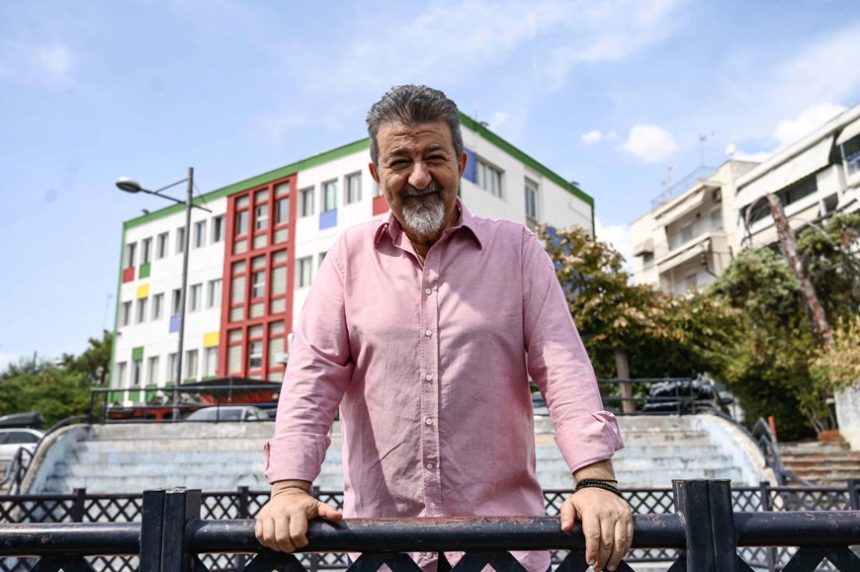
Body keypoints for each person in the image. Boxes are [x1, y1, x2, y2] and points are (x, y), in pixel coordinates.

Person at [255, 85, 632, 572]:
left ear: (461, 163)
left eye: (434, 157)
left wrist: (595, 480)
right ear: (376, 175)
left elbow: (562, 365)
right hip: (383, 550)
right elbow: (312, 376)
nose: (419, 177)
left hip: (502, 549)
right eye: (399, 162)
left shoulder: (517, 250)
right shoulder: (348, 257)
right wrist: (289, 488)